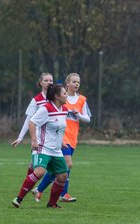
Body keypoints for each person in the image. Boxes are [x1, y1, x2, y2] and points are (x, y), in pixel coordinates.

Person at [33, 73, 91, 202]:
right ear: (67, 83)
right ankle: (63, 194)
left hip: (73, 137)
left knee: (61, 167)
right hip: (60, 137)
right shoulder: (60, 98)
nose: (77, 84)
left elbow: (87, 118)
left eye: (78, 82)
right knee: (68, 164)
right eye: (74, 82)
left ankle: (40, 189)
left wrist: (79, 115)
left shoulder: (82, 99)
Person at [12, 84, 68, 208]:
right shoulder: (46, 108)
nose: (66, 95)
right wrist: (34, 140)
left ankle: (52, 204)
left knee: (63, 176)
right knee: (40, 171)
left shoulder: (64, 109)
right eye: (64, 93)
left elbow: (60, 128)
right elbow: (32, 123)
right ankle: (19, 198)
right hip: (43, 147)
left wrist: (62, 142)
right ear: (56, 96)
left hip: (56, 150)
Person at [11, 73, 54, 176]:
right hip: (39, 137)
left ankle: (34, 187)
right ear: (41, 83)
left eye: (51, 80)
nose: (49, 83)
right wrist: (20, 137)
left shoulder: (56, 98)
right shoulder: (36, 100)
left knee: (45, 165)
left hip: (53, 137)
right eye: (46, 80)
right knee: (36, 166)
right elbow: (29, 120)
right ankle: (30, 185)